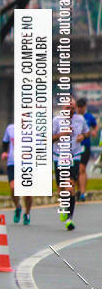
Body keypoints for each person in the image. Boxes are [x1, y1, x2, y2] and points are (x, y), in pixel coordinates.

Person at [52, 97, 88, 231]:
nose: (71, 110)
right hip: (59, 157)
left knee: (70, 188)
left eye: (72, 108)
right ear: (63, 108)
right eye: (68, 108)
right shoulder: (56, 121)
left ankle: (69, 219)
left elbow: (87, 132)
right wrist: (62, 134)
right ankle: (63, 204)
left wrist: (83, 137)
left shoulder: (80, 120)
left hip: (74, 156)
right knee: (62, 189)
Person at [1, 122, 33, 225]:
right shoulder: (10, 128)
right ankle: (18, 207)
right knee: (13, 187)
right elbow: (5, 141)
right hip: (12, 162)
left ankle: (27, 213)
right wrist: (4, 152)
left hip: (28, 163)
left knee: (27, 193)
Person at [76, 98, 97, 201]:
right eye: (78, 107)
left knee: (82, 168)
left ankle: (83, 193)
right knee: (75, 171)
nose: (80, 109)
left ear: (85, 107)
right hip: (75, 147)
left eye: (81, 107)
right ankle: (78, 190)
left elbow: (95, 126)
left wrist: (94, 131)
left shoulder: (89, 117)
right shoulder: (74, 117)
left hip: (85, 145)